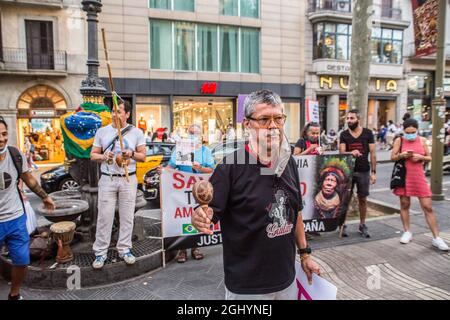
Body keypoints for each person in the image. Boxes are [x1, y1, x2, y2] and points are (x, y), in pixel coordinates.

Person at [191, 90, 321, 300]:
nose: (273, 126)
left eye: (278, 118)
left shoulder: (288, 162)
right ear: (247, 124)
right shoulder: (230, 167)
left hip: (287, 279)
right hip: (247, 289)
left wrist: (305, 254)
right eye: (264, 119)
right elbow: (206, 214)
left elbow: (295, 211)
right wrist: (198, 216)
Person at [0, 116, 55, 300]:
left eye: (4, 134)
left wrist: (44, 197)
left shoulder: (15, 155)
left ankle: (14, 294)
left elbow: (28, 178)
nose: (1, 138)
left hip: (15, 218)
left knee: (22, 261)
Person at [90, 100, 147, 269]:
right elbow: (93, 155)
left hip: (128, 178)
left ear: (127, 114)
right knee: (104, 216)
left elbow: (143, 156)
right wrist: (104, 157)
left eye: (119, 111)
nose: (115, 114)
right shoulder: (102, 131)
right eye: (113, 111)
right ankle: (100, 252)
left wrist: (131, 153)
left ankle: (124, 249)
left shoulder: (136, 132)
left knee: (127, 216)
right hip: (108, 179)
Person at [390, 119, 449, 251]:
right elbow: (392, 157)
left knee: (428, 207)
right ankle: (407, 232)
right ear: (403, 131)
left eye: (413, 132)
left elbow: (429, 157)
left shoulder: (422, 140)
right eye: (407, 132)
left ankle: (436, 238)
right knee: (405, 204)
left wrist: (420, 157)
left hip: (418, 176)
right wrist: (401, 155)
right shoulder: (399, 140)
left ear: (417, 130)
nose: (410, 135)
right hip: (404, 177)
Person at [163, 124, 215, 263]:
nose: (193, 135)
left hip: (199, 192)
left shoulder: (205, 151)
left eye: (196, 133)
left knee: (199, 217)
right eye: (191, 132)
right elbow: (170, 167)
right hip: (182, 192)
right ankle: (182, 250)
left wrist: (200, 168)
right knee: (183, 218)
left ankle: (195, 247)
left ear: (202, 135)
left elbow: (211, 170)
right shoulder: (181, 149)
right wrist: (163, 172)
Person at [339, 109, 377, 238]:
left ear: (358, 119)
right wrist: (351, 153)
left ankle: (362, 224)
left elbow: (373, 153)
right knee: (345, 199)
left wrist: (373, 172)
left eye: (352, 118)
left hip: (364, 170)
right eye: (347, 118)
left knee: (363, 198)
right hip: (348, 171)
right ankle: (342, 225)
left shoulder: (368, 133)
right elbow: (342, 152)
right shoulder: (344, 134)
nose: (349, 121)